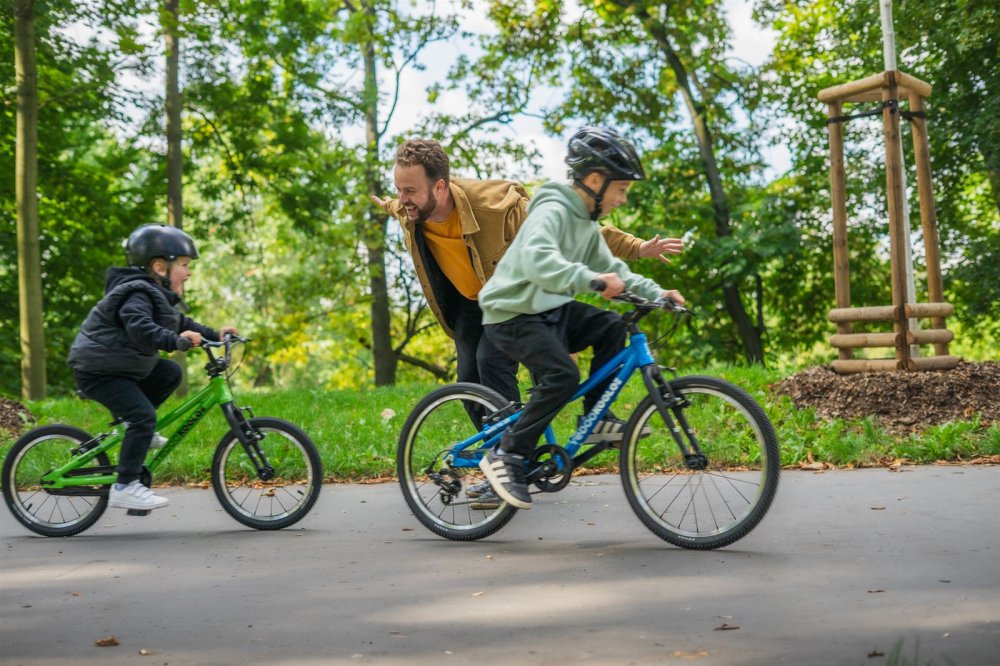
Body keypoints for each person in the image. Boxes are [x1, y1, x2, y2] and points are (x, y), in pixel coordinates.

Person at [371, 138, 683, 410]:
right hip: (467, 302)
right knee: (469, 382)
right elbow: (395, 206)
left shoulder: (498, 207)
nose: (402, 199)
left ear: (439, 187)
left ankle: (517, 453)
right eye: (399, 190)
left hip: (510, 299)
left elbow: (569, 231)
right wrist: (387, 203)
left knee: (492, 363)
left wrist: (637, 247)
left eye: (409, 190)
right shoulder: (409, 208)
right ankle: (500, 455)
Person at [477, 126, 686, 509]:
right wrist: (588, 279)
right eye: (621, 189)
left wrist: (658, 293)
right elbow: (537, 259)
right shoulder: (553, 209)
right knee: (562, 375)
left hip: (549, 309)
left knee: (609, 326)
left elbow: (613, 268)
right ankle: (507, 456)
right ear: (594, 180)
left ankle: (596, 418)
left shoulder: (586, 225)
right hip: (512, 311)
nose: (623, 199)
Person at [67, 224, 238, 512]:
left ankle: (132, 426)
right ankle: (125, 486)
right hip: (98, 370)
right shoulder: (137, 294)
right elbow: (140, 327)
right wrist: (176, 341)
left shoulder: (153, 294)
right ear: (160, 266)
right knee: (143, 416)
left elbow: (181, 323)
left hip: (118, 366)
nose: (189, 272)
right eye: (184, 265)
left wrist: (215, 335)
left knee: (170, 372)